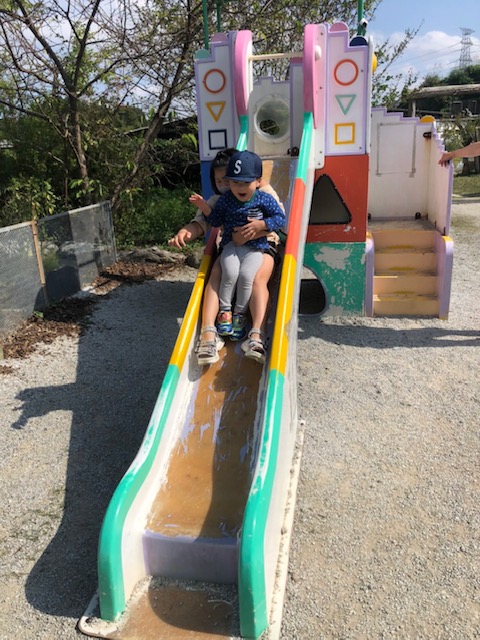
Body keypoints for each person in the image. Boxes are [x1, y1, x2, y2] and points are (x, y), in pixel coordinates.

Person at [169, 149, 284, 366]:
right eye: (220, 181)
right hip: (232, 246)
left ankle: (256, 334)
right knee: (216, 274)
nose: (226, 186)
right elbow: (202, 222)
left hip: (263, 244)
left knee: (257, 278)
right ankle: (208, 333)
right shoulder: (220, 200)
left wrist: (256, 231)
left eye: (227, 179)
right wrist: (186, 232)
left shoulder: (263, 192)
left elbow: (280, 220)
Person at [203, 150, 285, 347]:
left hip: (257, 246)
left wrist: (261, 225)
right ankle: (224, 313)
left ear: (258, 181)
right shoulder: (225, 199)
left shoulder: (264, 197)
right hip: (232, 245)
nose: (239, 187)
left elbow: (280, 218)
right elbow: (215, 220)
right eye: (234, 182)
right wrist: (204, 208)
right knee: (228, 273)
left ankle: (241, 315)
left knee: (249, 276)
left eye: (245, 183)